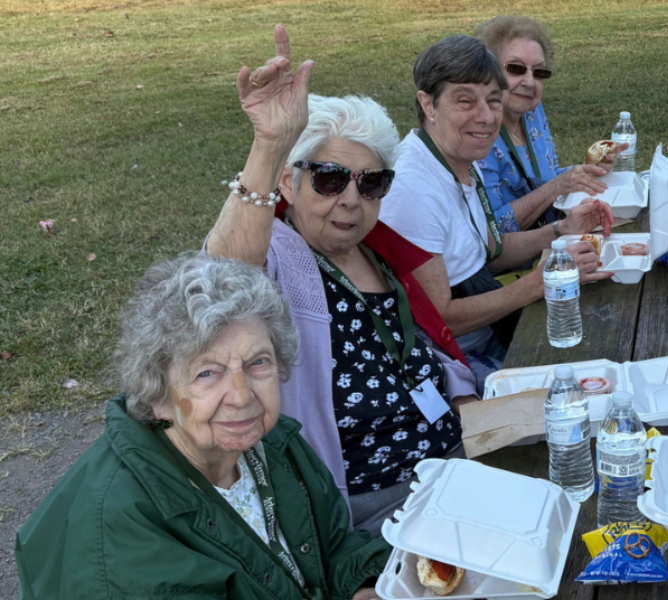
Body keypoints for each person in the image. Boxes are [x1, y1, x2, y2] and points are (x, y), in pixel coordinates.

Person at [204, 27, 479, 532]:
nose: (351, 199)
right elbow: (222, 279)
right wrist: (270, 145)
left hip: (458, 452)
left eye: (371, 183)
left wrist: (464, 399)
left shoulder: (374, 249)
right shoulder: (281, 255)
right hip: (376, 499)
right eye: (330, 178)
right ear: (290, 181)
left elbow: (420, 347)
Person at [16, 253, 389, 599]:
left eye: (258, 362)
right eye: (207, 373)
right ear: (158, 394)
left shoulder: (273, 441)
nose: (242, 397)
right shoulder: (124, 528)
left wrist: (361, 588)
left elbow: (337, 544)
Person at [379, 35, 614, 380]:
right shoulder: (412, 188)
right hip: (454, 359)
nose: (486, 117)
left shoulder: (456, 158)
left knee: (602, 335)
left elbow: (491, 251)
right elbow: (439, 318)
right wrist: (537, 284)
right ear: (428, 105)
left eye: (493, 101)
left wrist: (561, 229)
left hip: (488, 323)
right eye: (465, 101)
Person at [474, 15, 619, 235]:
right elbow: (493, 233)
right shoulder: (477, 132)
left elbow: (546, 180)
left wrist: (589, 170)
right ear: (487, 71)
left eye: (539, 72)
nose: (530, 82)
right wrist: (558, 186)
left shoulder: (532, 113)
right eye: (516, 68)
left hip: (553, 236)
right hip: (515, 261)